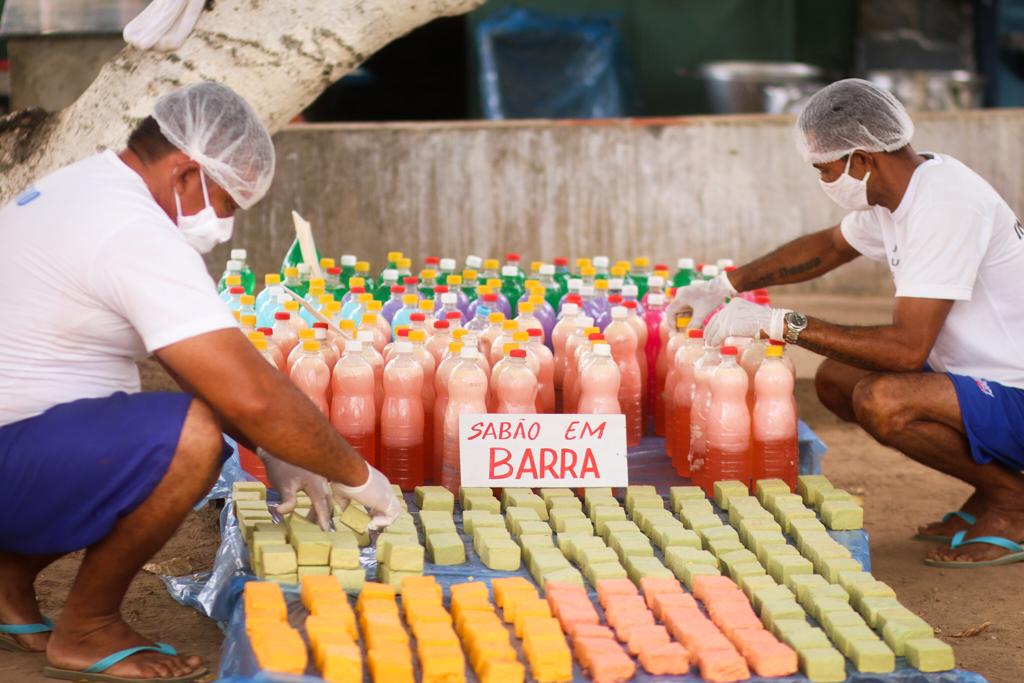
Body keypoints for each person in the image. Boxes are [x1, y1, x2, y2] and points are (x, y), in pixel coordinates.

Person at [0, 82, 401, 681]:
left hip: (21, 445)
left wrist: (273, 446)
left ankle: (7, 586)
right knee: (190, 438)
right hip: (14, 457)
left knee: (176, 425)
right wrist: (359, 476)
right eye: (228, 203)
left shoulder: (88, 186)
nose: (225, 226)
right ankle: (87, 626)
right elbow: (247, 390)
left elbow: (198, 366)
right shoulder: (131, 229)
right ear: (188, 173)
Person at [669, 78, 1024, 569]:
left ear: (862, 159)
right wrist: (725, 286)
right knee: (838, 379)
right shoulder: (903, 188)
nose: (823, 178)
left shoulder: (945, 206)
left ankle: (1013, 503)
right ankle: (993, 492)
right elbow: (831, 247)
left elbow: (905, 350)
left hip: (1015, 392)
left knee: (883, 399)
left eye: (825, 168)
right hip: (979, 380)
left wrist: (778, 322)